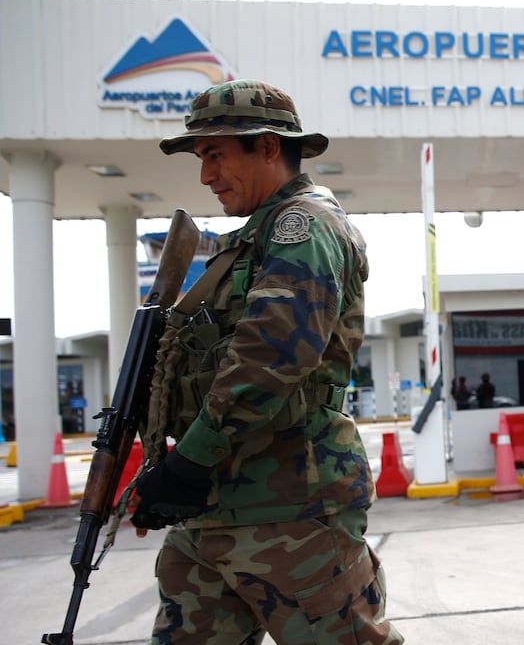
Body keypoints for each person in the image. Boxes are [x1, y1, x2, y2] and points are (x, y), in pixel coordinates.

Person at [131, 79, 403, 645]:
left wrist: (189, 464)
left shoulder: (302, 227)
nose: (206, 175)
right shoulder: (250, 241)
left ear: (269, 147)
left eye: (215, 154)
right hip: (214, 512)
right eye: (201, 157)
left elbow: (273, 352)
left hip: (290, 510)